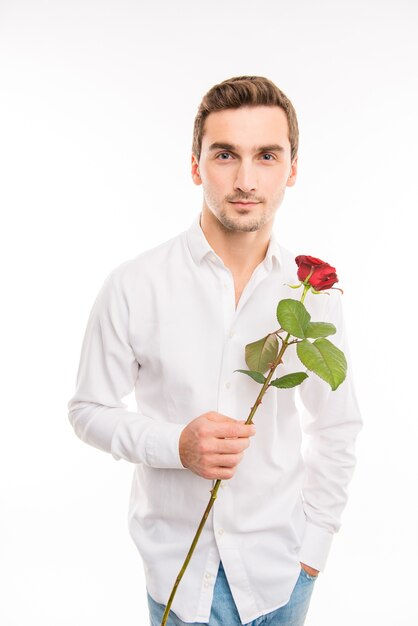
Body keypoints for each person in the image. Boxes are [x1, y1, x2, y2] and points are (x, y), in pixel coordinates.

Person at [67, 75, 362, 626]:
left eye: (267, 156)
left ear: (292, 169)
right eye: (225, 154)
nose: (246, 179)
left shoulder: (314, 300)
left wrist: (313, 554)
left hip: (281, 576)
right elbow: (87, 411)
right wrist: (174, 444)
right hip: (176, 574)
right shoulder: (134, 284)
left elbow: (337, 426)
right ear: (196, 165)